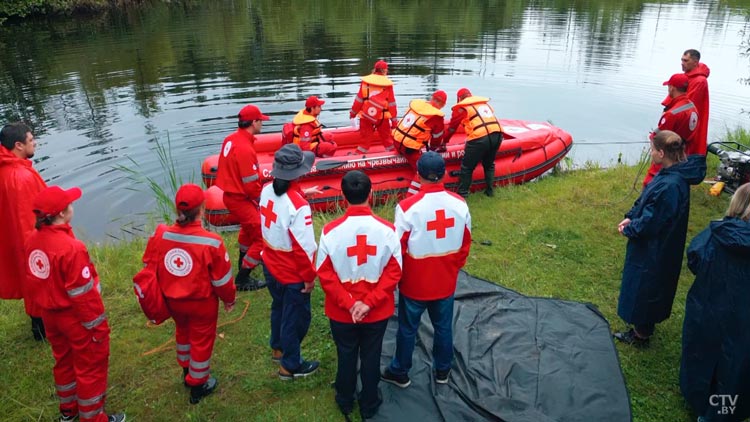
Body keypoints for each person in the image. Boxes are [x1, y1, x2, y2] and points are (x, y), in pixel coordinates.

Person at [25, 186, 125, 422]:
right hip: (74, 317)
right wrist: (98, 328)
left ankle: (68, 411)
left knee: (64, 361)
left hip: (49, 315)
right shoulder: (71, 248)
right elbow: (83, 296)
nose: (73, 206)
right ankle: (93, 418)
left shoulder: (32, 240)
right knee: (90, 366)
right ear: (61, 213)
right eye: (69, 204)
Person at [316, 170, 402, 420]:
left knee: (345, 354)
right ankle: (369, 401)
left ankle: (344, 398)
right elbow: (394, 271)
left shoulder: (330, 232)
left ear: (343, 196)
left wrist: (349, 303)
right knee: (372, 355)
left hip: (342, 312)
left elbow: (325, 273)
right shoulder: (387, 230)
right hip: (376, 312)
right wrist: (369, 303)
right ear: (371, 194)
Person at [381, 152, 472, 388]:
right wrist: (452, 267)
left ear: (418, 174)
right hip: (445, 280)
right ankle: (443, 370)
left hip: (414, 282)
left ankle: (400, 371)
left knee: (407, 328)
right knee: (443, 327)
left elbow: (397, 248)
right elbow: (465, 241)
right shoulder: (460, 204)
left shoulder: (407, 207)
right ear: (443, 174)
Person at [141, 183, 236, 405]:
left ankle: (186, 372)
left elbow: (150, 264)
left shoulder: (162, 236)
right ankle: (198, 384)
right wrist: (229, 299)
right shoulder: (212, 242)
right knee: (201, 341)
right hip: (201, 303)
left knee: (183, 333)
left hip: (172, 301)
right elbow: (222, 280)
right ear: (202, 210)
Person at [614, 130, 706, 346]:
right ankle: (642, 326)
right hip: (659, 245)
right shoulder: (670, 175)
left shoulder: (670, 185)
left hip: (656, 248)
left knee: (646, 285)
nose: (651, 153)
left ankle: (641, 335)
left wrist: (630, 228)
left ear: (661, 153)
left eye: (653, 150)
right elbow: (646, 201)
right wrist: (631, 217)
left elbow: (652, 221)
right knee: (648, 284)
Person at [680, 183, 750, 422]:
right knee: (735, 368)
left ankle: (702, 402)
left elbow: (695, 259)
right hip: (742, 320)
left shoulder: (716, 233)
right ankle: (718, 412)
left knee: (702, 354)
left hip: (709, 307)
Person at [259, 144, 320, 379]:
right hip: (291, 273)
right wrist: (308, 278)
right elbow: (303, 249)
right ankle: (290, 365)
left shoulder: (266, 190)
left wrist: (303, 193)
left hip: (270, 264)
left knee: (279, 307)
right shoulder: (299, 207)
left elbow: (281, 209)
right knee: (296, 319)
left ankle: (278, 347)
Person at [0, 122, 48, 340]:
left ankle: (38, 324)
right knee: (38, 279)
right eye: (30, 140)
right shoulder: (21, 177)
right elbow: (28, 219)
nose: (34, 142)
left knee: (26, 277)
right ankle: (42, 328)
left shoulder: (5, 170)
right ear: (18, 145)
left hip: (10, 238)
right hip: (27, 240)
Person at [215, 104, 268, 291]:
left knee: (247, 232)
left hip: (232, 195)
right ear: (254, 122)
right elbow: (251, 183)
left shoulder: (231, 139)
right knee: (262, 237)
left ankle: (242, 265)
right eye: (261, 120)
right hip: (241, 198)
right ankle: (242, 277)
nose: (262, 123)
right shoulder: (245, 148)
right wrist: (261, 200)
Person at [444, 88, 503, 198]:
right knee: (489, 164)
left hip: (479, 138)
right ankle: (490, 192)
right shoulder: (483, 104)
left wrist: (444, 142)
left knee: (467, 167)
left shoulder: (462, 107)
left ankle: (462, 194)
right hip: (497, 134)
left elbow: (452, 128)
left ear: (459, 99)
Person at [643, 73, 699, 186]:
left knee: (650, 184)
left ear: (672, 88)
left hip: (666, 157)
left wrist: (652, 137)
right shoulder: (693, 108)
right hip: (681, 156)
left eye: (669, 86)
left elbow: (660, 139)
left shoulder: (672, 113)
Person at [392, 90, 447, 195]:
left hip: (396, 140)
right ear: (443, 104)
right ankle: (411, 195)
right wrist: (433, 151)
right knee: (424, 170)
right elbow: (436, 138)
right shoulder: (436, 117)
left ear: (432, 98)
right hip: (409, 148)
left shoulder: (418, 106)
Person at [349, 60, 397, 154]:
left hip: (367, 115)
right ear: (384, 70)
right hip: (382, 117)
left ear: (375, 69)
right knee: (387, 139)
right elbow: (392, 104)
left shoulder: (365, 82)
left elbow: (358, 100)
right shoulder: (387, 85)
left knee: (364, 140)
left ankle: (358, 156)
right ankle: (393, 154)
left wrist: (353, 113)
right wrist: (394, 121)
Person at [681, 49, 710, 155]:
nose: (682, 63)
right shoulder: (687, 76)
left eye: (686, 61)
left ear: (695, 62)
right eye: (682, 60)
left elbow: (687, 105)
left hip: (691, 123)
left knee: (688, 152)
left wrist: (670, 116)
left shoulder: (700, 81)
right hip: (687, 120)